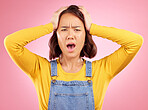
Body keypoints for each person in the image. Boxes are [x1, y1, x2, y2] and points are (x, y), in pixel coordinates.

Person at [4, 5, 143, 110]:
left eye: (77, 29)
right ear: (56, 35)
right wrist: (50, 25)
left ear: (85, 36)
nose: (70, 35)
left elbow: (135, 42)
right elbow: (11, 43)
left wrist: (92, 27)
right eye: (63, 29)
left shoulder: (102, 70)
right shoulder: (41, 70)